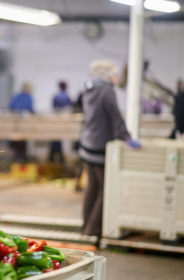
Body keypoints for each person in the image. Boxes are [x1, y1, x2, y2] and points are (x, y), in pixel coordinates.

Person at [78, 60, 141, 238]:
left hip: (87, 145)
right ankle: (93, 230)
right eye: (114, 74)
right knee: (105, 189)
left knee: (92, 187)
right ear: (106, 75)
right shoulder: (106, 91)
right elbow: (116, 117)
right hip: (99, 147)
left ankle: (85, 227)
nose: (116, 77)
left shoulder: (88, 88)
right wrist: (128, 138)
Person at [9, 83, 34, 162]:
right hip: (20, 122)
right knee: (20, 141)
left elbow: (11, 107)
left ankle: (19, 157)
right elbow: (30, 109)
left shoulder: (17, 97)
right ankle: (19, 157)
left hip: (18, 122)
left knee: (19, 141)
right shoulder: (25, 97)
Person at [49, 81, 72, 163]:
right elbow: (70, 108)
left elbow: (53, 108)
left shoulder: (56, 96)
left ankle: (52, 156)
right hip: (63, 120)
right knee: (60, 138)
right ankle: (60, 157)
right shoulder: (67, 96)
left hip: (56, 120)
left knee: (55, 137)